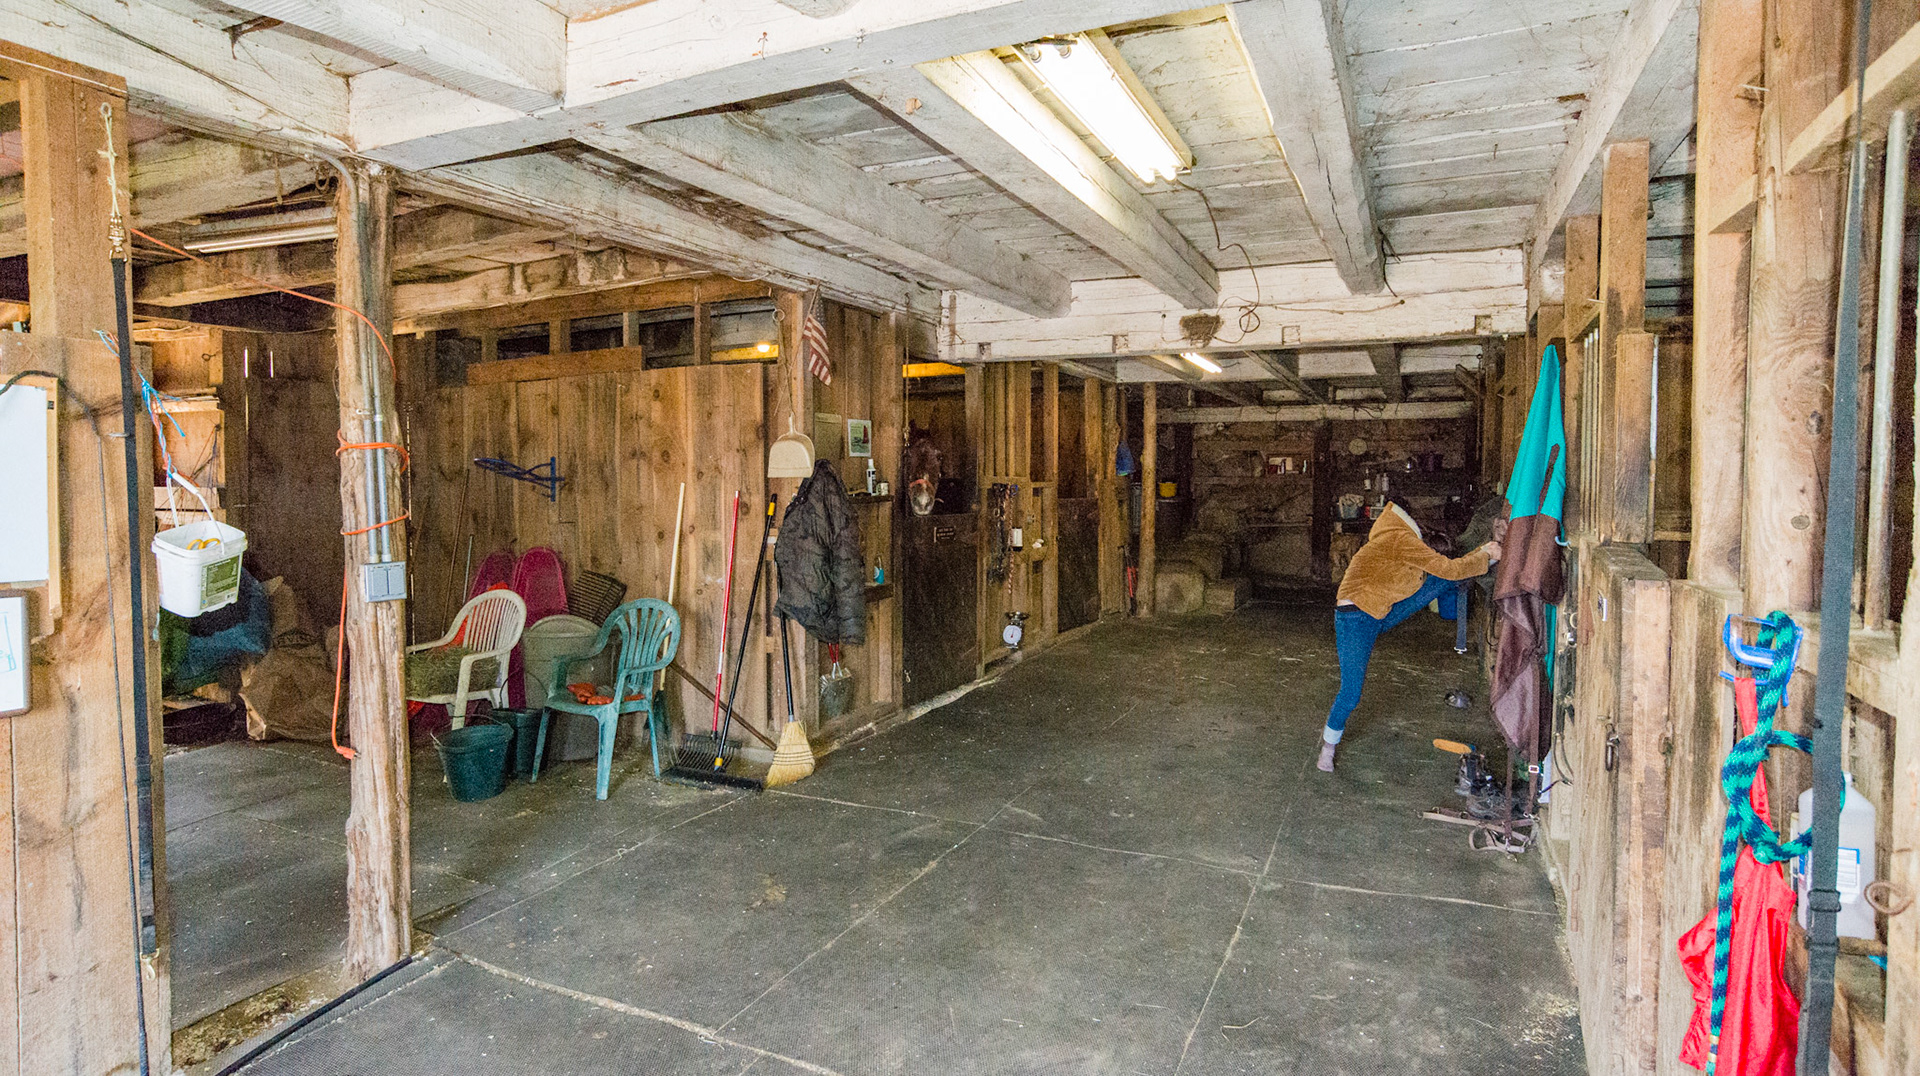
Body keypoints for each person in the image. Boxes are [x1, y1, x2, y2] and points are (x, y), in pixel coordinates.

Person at [1317, 502, 1500, 772]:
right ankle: (1328, 748)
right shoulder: (1400, 538)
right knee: (1351, 692)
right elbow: (1448, 569)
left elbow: (1442, 571)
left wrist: (1481, 555)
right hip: (1355, 619)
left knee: (1437, 582)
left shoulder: (1392, 536)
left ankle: (1488, 555)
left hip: (1377, 613)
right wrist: (1482, 554)